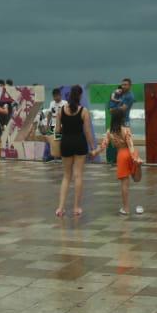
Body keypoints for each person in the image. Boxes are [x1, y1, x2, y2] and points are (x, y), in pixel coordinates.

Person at [56, 85, 95, 219]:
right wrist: (93, 147)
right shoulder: (84, 111)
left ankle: (61, 208)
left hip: (66, 143)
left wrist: (56, 143)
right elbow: (88, 132)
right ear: (80, 96)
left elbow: (57, 131)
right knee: (78, 175)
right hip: (79, 143)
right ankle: (76, 207)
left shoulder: (61, 110)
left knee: (66, 176)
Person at [108, 119, 143, 215]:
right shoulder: (126, 130)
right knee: (136, 179)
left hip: (122, 154)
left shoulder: (109, 132)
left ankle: (126, 208)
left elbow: (103, 145)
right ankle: (138, 166)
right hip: (131, 152)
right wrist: (134, 157)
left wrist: (95, 152)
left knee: (124, 183)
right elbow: (130, 144)